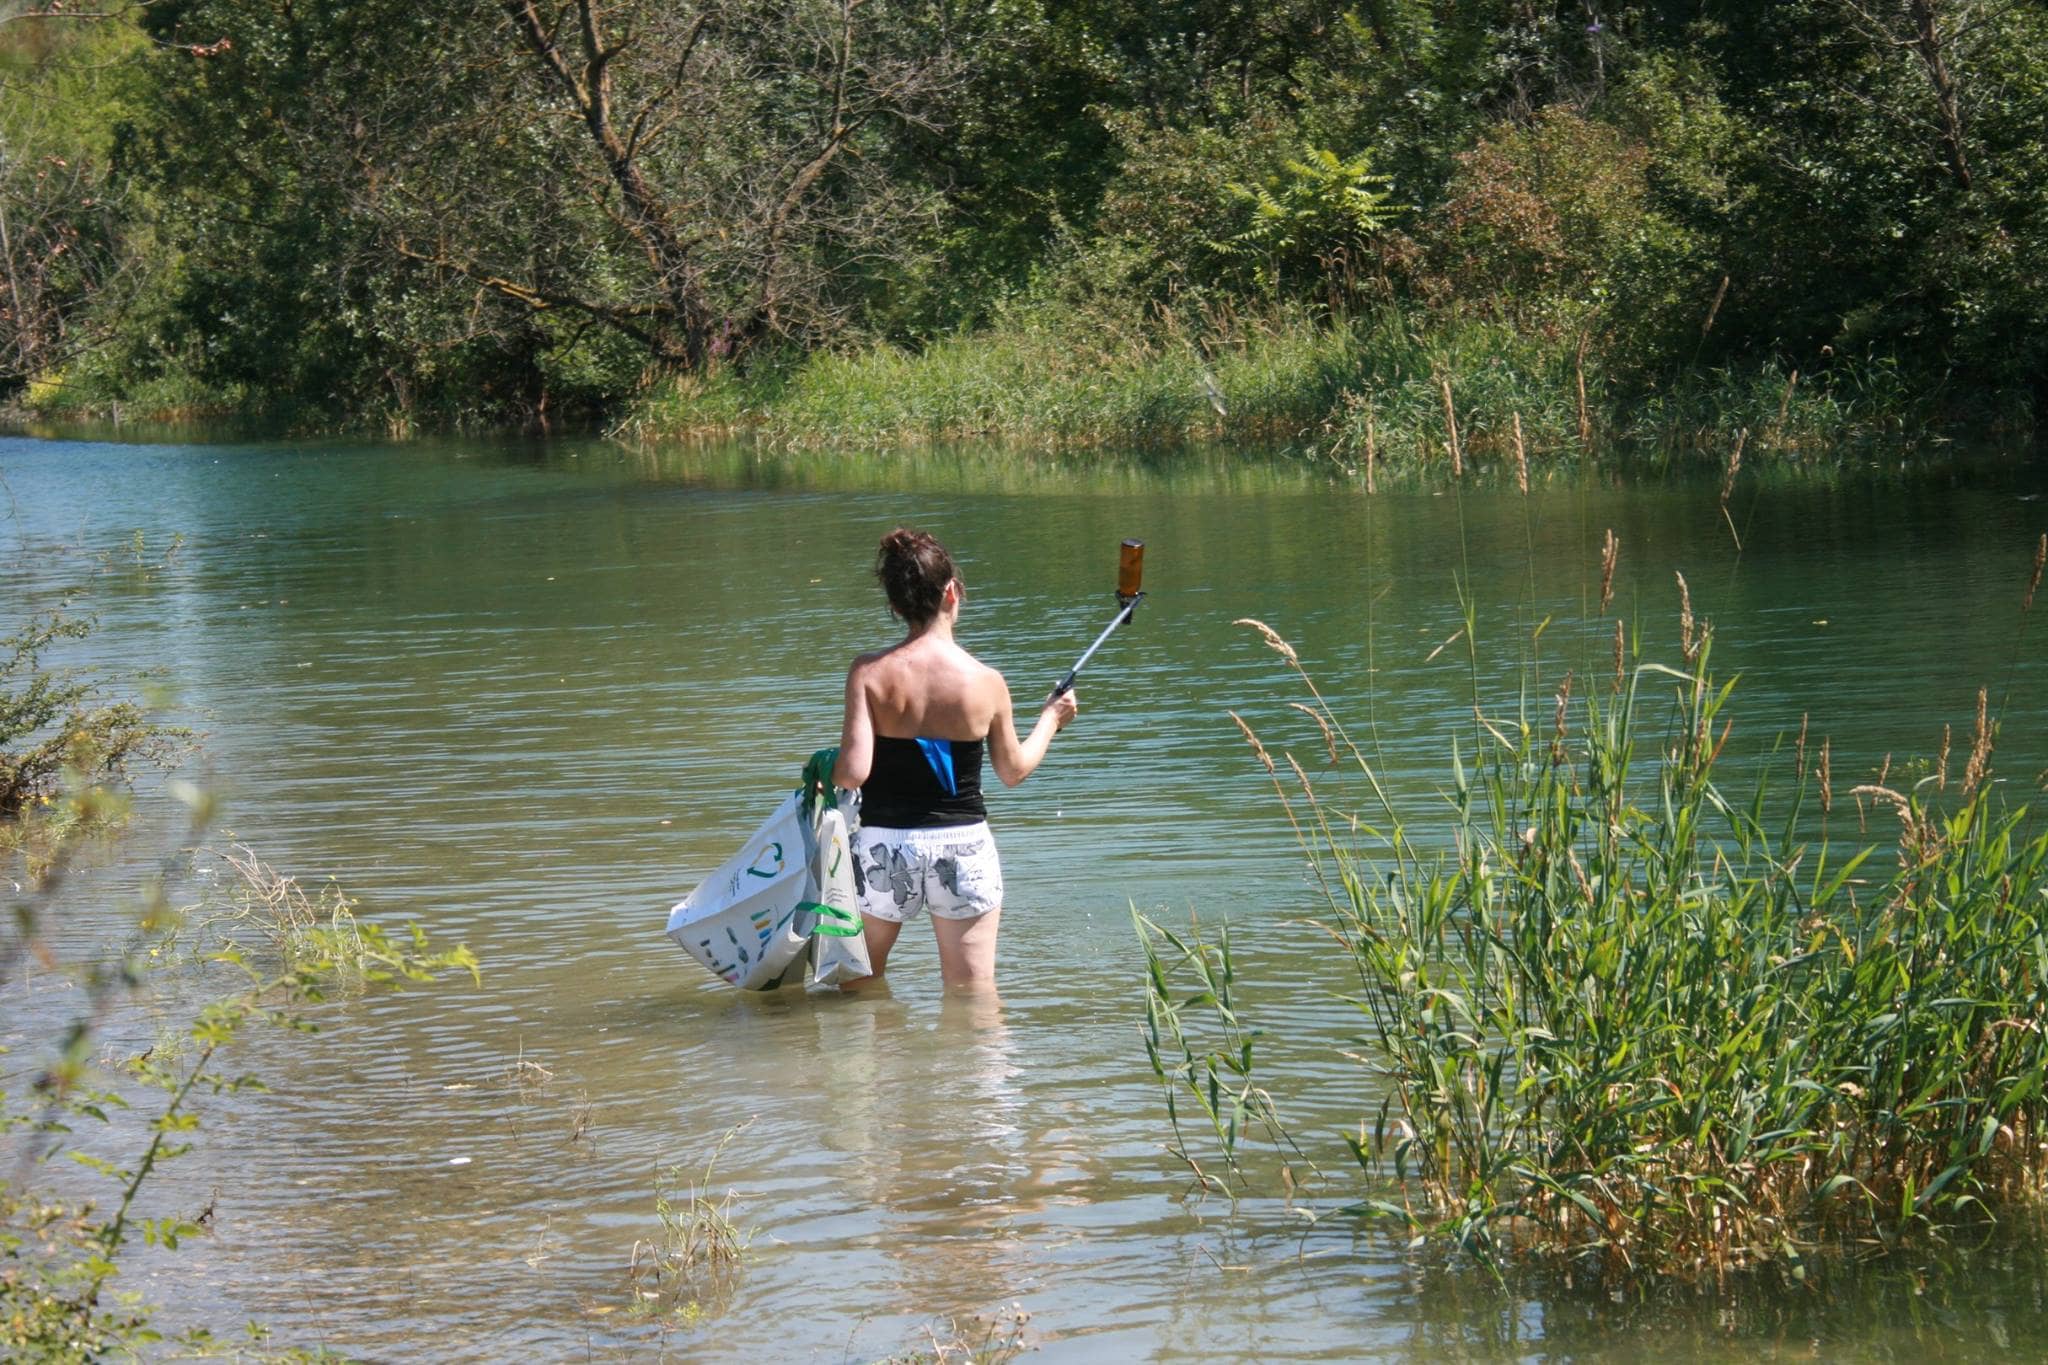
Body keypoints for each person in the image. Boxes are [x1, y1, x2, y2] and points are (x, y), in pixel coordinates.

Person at [827, 528, 1077, 988]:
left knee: (856, 986)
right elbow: (1013, 771)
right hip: (963, 847)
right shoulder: (987, 681)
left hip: (887, 846)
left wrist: (827, 769)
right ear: (952, 592)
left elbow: (854, 772)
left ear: (896, 605)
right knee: (972, 997)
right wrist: (1051, 719)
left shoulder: (867, 673)